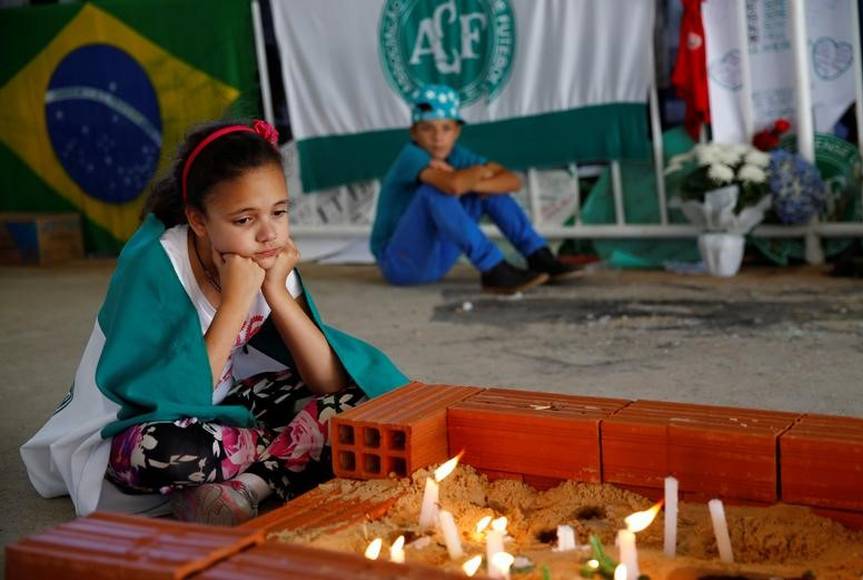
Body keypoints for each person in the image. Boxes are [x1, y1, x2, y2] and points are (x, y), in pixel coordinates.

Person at [21, 120, 408, 525]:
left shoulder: (267, 257)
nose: (268, 233)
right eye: (244, 220)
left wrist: (276, 292)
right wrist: (236, 301)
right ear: (199, 221)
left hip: (224, 414)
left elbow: (326, 382)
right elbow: (176, 401)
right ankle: (286, 455)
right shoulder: (157, 264)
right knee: (162, 450)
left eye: (279, 212)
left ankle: (245, 487)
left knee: (361, 402)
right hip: (139, 423)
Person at [371, 84, 584, 294]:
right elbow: (453, 186)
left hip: (438, 262)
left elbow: (512, 182)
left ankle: (539, 256)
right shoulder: (411, 155)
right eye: (427, 128)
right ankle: (493, 268)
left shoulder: (457, 155)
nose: (438, 137)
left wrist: (473, 179)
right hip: (400, 264)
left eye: (446, 128)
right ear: (414, 133)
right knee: (434, 190)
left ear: (456, 132)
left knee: (488, 191)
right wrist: (479, 172)